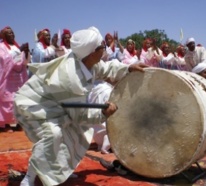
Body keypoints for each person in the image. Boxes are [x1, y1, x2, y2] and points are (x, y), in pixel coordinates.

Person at [14, 26, 148, 186]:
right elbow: (79, 114)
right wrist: (104, 114)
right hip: (35, 105)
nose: (105, 49)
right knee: (53, 135)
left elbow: (107, 69)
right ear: (92, 52)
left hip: (59, 104)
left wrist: (128, 68)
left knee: (75, 133)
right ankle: (29, 178)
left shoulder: (87, 61)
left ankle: (61, 171)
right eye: (102, 46)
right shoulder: (71, 77)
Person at [0, 26, 30, 132]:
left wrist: (25, 53)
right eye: (8, 33)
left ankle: (18, 122)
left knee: (19, 101)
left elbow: (24, 63)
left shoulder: (17, 47)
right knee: (7, 102)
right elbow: (5, 60)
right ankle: (4, 124)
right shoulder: (1, 47)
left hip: (18, 79)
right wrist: (19, 52)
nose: (11, 34)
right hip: (7, 80)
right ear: (3, 35)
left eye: (12, 32)